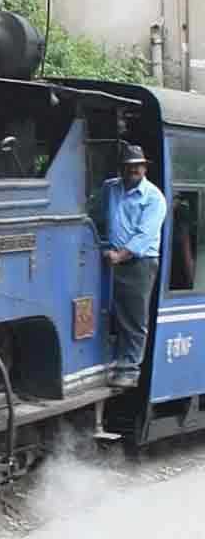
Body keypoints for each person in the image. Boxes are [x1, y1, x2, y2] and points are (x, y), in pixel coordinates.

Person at [99, 144, 168, 389]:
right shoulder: (110, 188)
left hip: (139, 262)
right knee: (106, 311)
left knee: (133, 316)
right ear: (122, 168)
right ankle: (107, 363)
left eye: (137, 166)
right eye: (129, 167)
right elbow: (97, 214)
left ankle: (129, 369)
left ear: (145, 167)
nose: (133, 170)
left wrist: (121, 255)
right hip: (110, 256)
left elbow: (144, 235)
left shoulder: (154, 198)